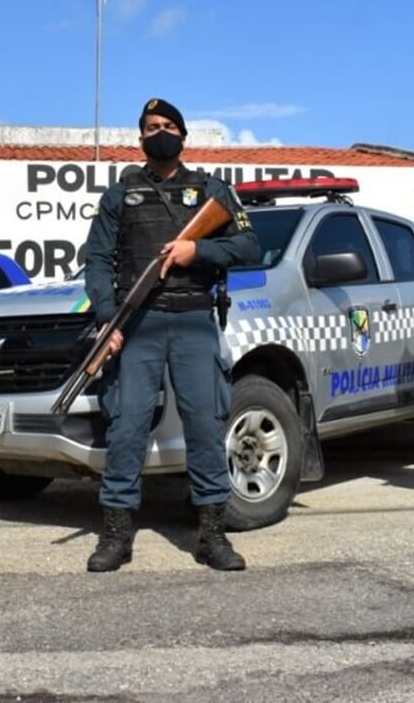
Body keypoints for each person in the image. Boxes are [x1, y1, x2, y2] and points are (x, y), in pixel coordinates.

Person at [82, 97, 261, 572]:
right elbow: (98, 260)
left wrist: (195, 250)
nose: (158, 132)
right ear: (140, 138)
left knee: (205, 426)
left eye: (166, 125)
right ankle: (117, 536)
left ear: (182, 135)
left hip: (193, 320)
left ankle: (212, 535)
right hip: (136, 323)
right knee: (127, 427)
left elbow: (248, 246)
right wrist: (107, 319)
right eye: (150, 127)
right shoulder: (121, 193)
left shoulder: (212, 191)